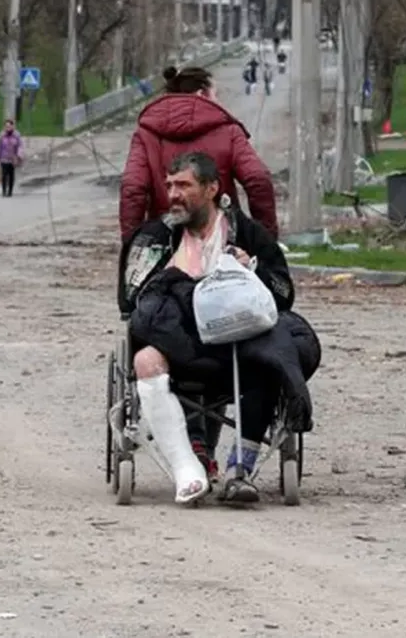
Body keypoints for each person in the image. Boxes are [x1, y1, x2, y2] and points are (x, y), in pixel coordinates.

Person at [118, 152, 320, 505]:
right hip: (181, 344)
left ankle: (239, 469)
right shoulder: (155, 239)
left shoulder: (248, 234)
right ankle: (189, 468)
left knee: (271, 354)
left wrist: (251, 271)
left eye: (184, 185)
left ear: (212, 188)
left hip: (240, 345)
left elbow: (284, 295)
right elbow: (131, 301)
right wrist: (173, 280)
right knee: (145, 360)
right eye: (169, 186)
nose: (173, 194)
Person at [120, 65, 278, 242]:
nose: (217, 101)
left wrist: (131, 244)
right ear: (202, 94)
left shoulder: (146, 133)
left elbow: (132, 187)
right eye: (215, 94)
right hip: (221, 239)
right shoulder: (229, 131)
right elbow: (258, 178)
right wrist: (267, 240)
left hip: (165, 239)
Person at [0, 119, 22, 197]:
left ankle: (10, 191)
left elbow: (20, 146)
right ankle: (4, 190)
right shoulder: (1, 136)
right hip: (4, 158)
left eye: (10, 126)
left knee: (11, 175)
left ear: (12, 126)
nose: (8, 128)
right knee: (4, 175)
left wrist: (19, 156)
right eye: (6, 126)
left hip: (12, 159)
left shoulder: (16, 135)